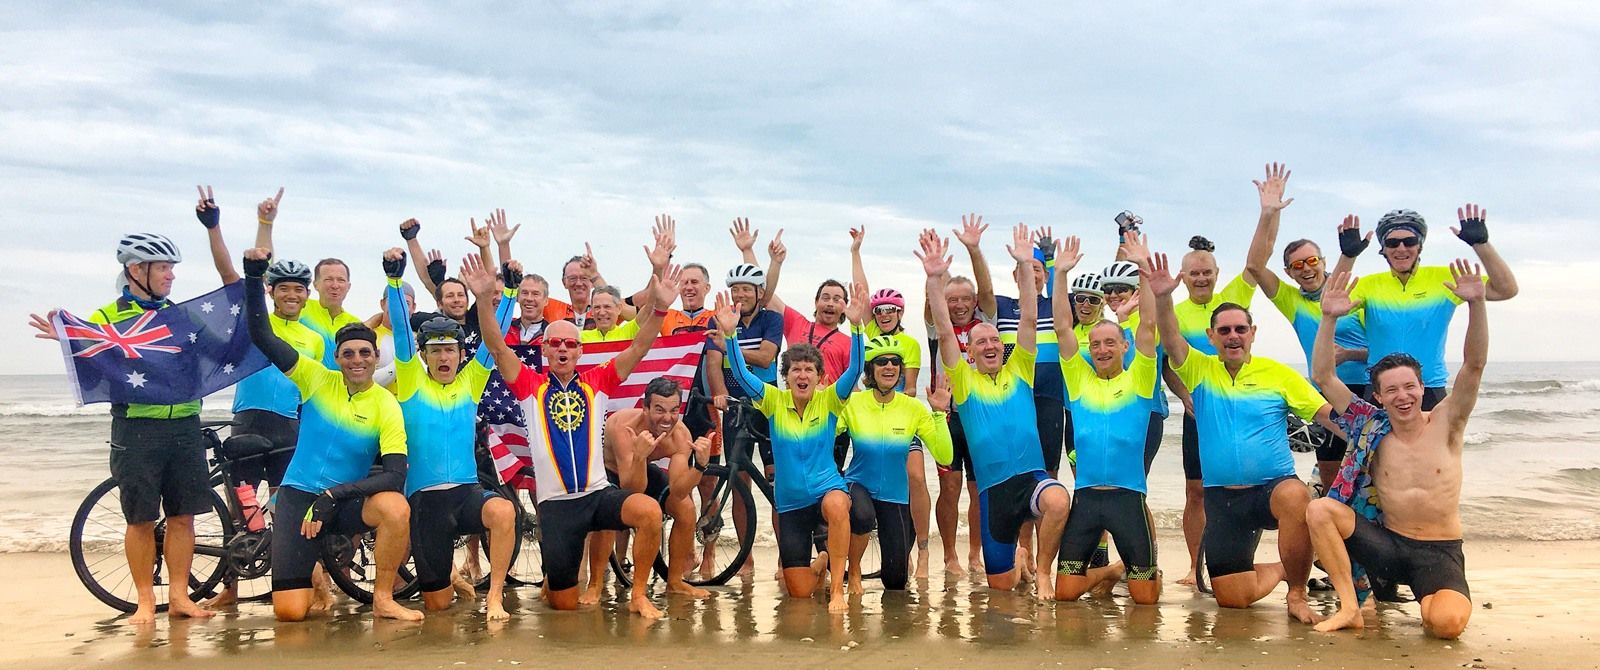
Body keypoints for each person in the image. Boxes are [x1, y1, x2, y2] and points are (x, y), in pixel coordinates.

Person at [27, 186, 243, 624]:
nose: (171, 276)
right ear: (136, 269)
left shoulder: (182, 316)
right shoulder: (108, 317)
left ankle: (180, 597)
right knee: (141, 519)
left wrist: (248, 321)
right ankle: (146, 600)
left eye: (171, 268)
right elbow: (95, 356)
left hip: (184, 424)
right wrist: (70, 339)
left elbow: (219, 347)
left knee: (183, 517)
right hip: (136, 430)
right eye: (164, 268)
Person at [475, 249, 679, 619]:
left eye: (571, 344)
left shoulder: (596, 382)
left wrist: (660, 308)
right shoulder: (529, 386)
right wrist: (482, 301)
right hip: (556, 507)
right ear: (545, 349)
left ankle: (638, 595)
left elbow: (640, 345)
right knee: (563, 607)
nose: (564, 348)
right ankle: (553, 586)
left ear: (580, 350)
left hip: (597, 496)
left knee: (648, 511)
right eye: (556, 343)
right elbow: (495, 345)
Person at [1146, 237, 1327, 624]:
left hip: (1271, 490)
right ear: (1211, 338)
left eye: (1240, 329)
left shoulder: (1278, 373)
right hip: (1223, 501)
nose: (1232, 336)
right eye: (1224, 330)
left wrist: (1370, 432)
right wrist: (1162, 298)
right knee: (1232, 599)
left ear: (1252, 332)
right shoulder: (1199, 370)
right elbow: (1173, 341)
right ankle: (1281, 569)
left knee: (1296, 494)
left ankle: (1297, 592)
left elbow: (1325, 413)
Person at [1307, 265, 1487, 638]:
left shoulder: (1446, 423)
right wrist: (1327, 318)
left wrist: (1477, 305)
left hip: (1439, 551)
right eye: (1391, 390)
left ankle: (1430, 600)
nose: (1402, 396)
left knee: (1446, 625)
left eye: (1409, 387)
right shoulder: (1370, 424)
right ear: (1378, 396)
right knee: (1320, 508)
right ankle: (1350, 607)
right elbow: (1324, 376)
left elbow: (1474, 365)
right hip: (1387, 544)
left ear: (1423, 388)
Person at [241, 247, 419, 622]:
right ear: (336, 358)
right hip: (297, 498)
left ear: (375, 357)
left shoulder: (386, 405)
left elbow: (395, 475)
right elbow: (260, 333)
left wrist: (332, 495)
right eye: (349, 353)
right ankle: (311, 575)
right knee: (291, 614)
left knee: (396, 506)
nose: (358, 360)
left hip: (341, 503)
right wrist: (255, 277)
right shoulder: (316, 379)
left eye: (365, 353)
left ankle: (383, 598)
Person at [921, 224, 1070, 601]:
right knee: (1000, 591)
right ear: (968, 352)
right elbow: (941, 324)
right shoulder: (964, 383)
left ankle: (1044, 571)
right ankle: (1017, 560)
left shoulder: (1020, 370)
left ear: (1002, 347)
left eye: (994, 340)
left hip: (1030, 479)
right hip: (994, 494)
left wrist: (1025, 266)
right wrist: (935, 280)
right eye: (980, 342)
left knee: (1058, 500)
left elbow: (1030, 321)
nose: (989, 345)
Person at [718, 281, 869, 613]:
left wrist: (857, 328)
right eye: (796, 370)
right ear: (785, 377)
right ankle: (821, 562)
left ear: (820, 377)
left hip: (826, 489)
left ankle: (838, 590)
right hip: (791, 504)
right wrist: (730, 337)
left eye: (810, 370)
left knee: (837, 505)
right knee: (798, 593)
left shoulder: (830, 401)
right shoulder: (773, 401)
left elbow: (857, 368)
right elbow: (743, 377)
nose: (803, 375)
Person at [385, 250, 520, 620]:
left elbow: (496, 341)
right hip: (426, 505)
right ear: (424, 356)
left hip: (467, 494)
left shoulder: (470, 382)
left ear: (461, 354)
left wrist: (508, 292)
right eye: (435, 352)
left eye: (450, 351)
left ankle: (494, 596)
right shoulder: (411, 382)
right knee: (438, 607)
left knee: (505, 511)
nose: (443, 358)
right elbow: (400, 330)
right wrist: (394, 279)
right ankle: (450, 576)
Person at [1242, 163, 1368, 491]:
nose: (1307, 270)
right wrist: (1269, 213)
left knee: (1373, 470)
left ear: (1324, 262)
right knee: (1330, 475)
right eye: (1298, 266)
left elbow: (1386, 351)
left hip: (1367, 389)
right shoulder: (1292, 301)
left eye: (1312, 262)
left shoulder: (1356, 291)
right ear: (1289, 272)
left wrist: (1352, 353)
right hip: (1323, 393)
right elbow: (1254, 266)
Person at [1050, 236, 1161, 605]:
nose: (1102, 349)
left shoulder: (1140, 381)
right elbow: (1064, 328)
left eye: (1110, 343)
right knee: (1065, 593)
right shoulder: (1079, 381)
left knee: (1146, 600)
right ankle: (1114, 569)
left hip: (1128, 500)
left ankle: (1136, 569)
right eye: (1096, 344)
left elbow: (1148, 323)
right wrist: (1061, 274)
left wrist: (1144, 270)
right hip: (1085, 500)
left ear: (1124, 345)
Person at [1338, 204, 1518, 407]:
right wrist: (1348, 256)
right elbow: (1330, 303)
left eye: (1409, 241)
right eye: (1392, 243)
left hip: (1429, 388)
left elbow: (1506, 290)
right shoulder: (1369, 285)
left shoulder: (1445, 278)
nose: (1401, 248)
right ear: (1384, 249)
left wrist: (1481, 244)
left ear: (1420, 245)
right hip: (1381, 390)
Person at [1170, 233, 1258, 586]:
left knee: (1244, 486)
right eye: (1194, 273)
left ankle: (1241, 561)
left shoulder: (1232, 300)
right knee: (1196, 490)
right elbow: (1165, 364)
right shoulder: (1175, 314)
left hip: (1239, 407)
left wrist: (1268, 213)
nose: (1201, 278)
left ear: (1217, 272)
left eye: (1206, 271)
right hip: (1199, 412)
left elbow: (1257, 261)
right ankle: (1194, 567)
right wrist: (1183, 395)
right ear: (1184, 276)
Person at [849, 225, 935, 578]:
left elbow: (911, 387)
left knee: (916, 475)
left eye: (890, 310)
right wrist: (856, 251)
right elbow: (861, 291)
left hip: (902, 418)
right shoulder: (868, 335)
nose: (883, 314)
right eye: (879, 310)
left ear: (900, 313)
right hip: (870, 418)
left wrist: (896, 402)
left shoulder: (911, 345)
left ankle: (925, 549)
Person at [839, 336, 954, 592]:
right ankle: (854, 568)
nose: (889, 366)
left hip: (895, 496)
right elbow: (825, 436)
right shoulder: (853, 404)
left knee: (895, 582)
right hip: (859, 484)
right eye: (881, 362)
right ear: (870, 370)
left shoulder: (913, 408)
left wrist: (938, 413)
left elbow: (944, 456)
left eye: (895, 362)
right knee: (863, 516)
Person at [924, 215, 999, 576]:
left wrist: (974, 249)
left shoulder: (984, 324)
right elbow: (932, 302)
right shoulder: (938, 329)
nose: (957, 305)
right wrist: (934, 275)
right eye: (951, 299)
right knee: (950, 488)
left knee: (980, 489)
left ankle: (975, 554)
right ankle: (950, 555)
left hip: (981, 415)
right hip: (950, 417)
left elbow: (986, 290)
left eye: (964, 299)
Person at [702, 261, 784, 574]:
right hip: (735, 407)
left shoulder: (771, 319)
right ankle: (745, 559)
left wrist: (731, 346)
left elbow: (766, 356)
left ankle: (782, 557)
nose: (740, 294)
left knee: (777, 484)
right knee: (739, 483)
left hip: (767, 407)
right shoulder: (719, 319)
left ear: (758, 293)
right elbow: (713, 363)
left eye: (746, 289)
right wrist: (720, 392)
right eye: (735, 289)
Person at [600, 378, 716, 598]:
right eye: (659, 410)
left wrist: (700, 466)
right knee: (632, 509)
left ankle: (675, 582)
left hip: (641, 467)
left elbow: (679, 490)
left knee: (686, 509)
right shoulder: (625, 428)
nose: (667, 418)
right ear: (645, 408)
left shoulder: (681, 434)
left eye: (674, 410)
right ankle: (596, 584)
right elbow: (631, 489)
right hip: (610, 471)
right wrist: (639, 456)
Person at [248, 190, 359, 369]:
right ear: (314, 286)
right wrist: (266, 224)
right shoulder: (300, 308)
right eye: (328, 279)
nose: (335, 285)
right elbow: (267, 271)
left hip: (327, 394)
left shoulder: (355, 323)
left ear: (348, 286)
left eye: (340, 280)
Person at [737, 218, 852, 383]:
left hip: (827, 406)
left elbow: (852, 386)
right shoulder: (798, 324)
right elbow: (763, 295)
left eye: (836, 299)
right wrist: (748, 251)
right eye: (825, 297)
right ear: (816, 302)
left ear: (844, 307)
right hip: (792, 404)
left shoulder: (848, 343)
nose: (830, 303)